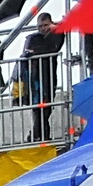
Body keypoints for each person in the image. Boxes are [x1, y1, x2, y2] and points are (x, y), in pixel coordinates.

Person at [22, 12, 66, 144]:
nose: (43, 28)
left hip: (48, 76)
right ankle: (38, 135)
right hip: (35, 78)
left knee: (46, 108)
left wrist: (57, 28)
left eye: (46, 25)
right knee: (37, 108)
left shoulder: (56, 35)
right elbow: (26, 53)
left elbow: (53, 49)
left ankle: (39, 134)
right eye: (40, 26)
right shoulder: (33, 37)